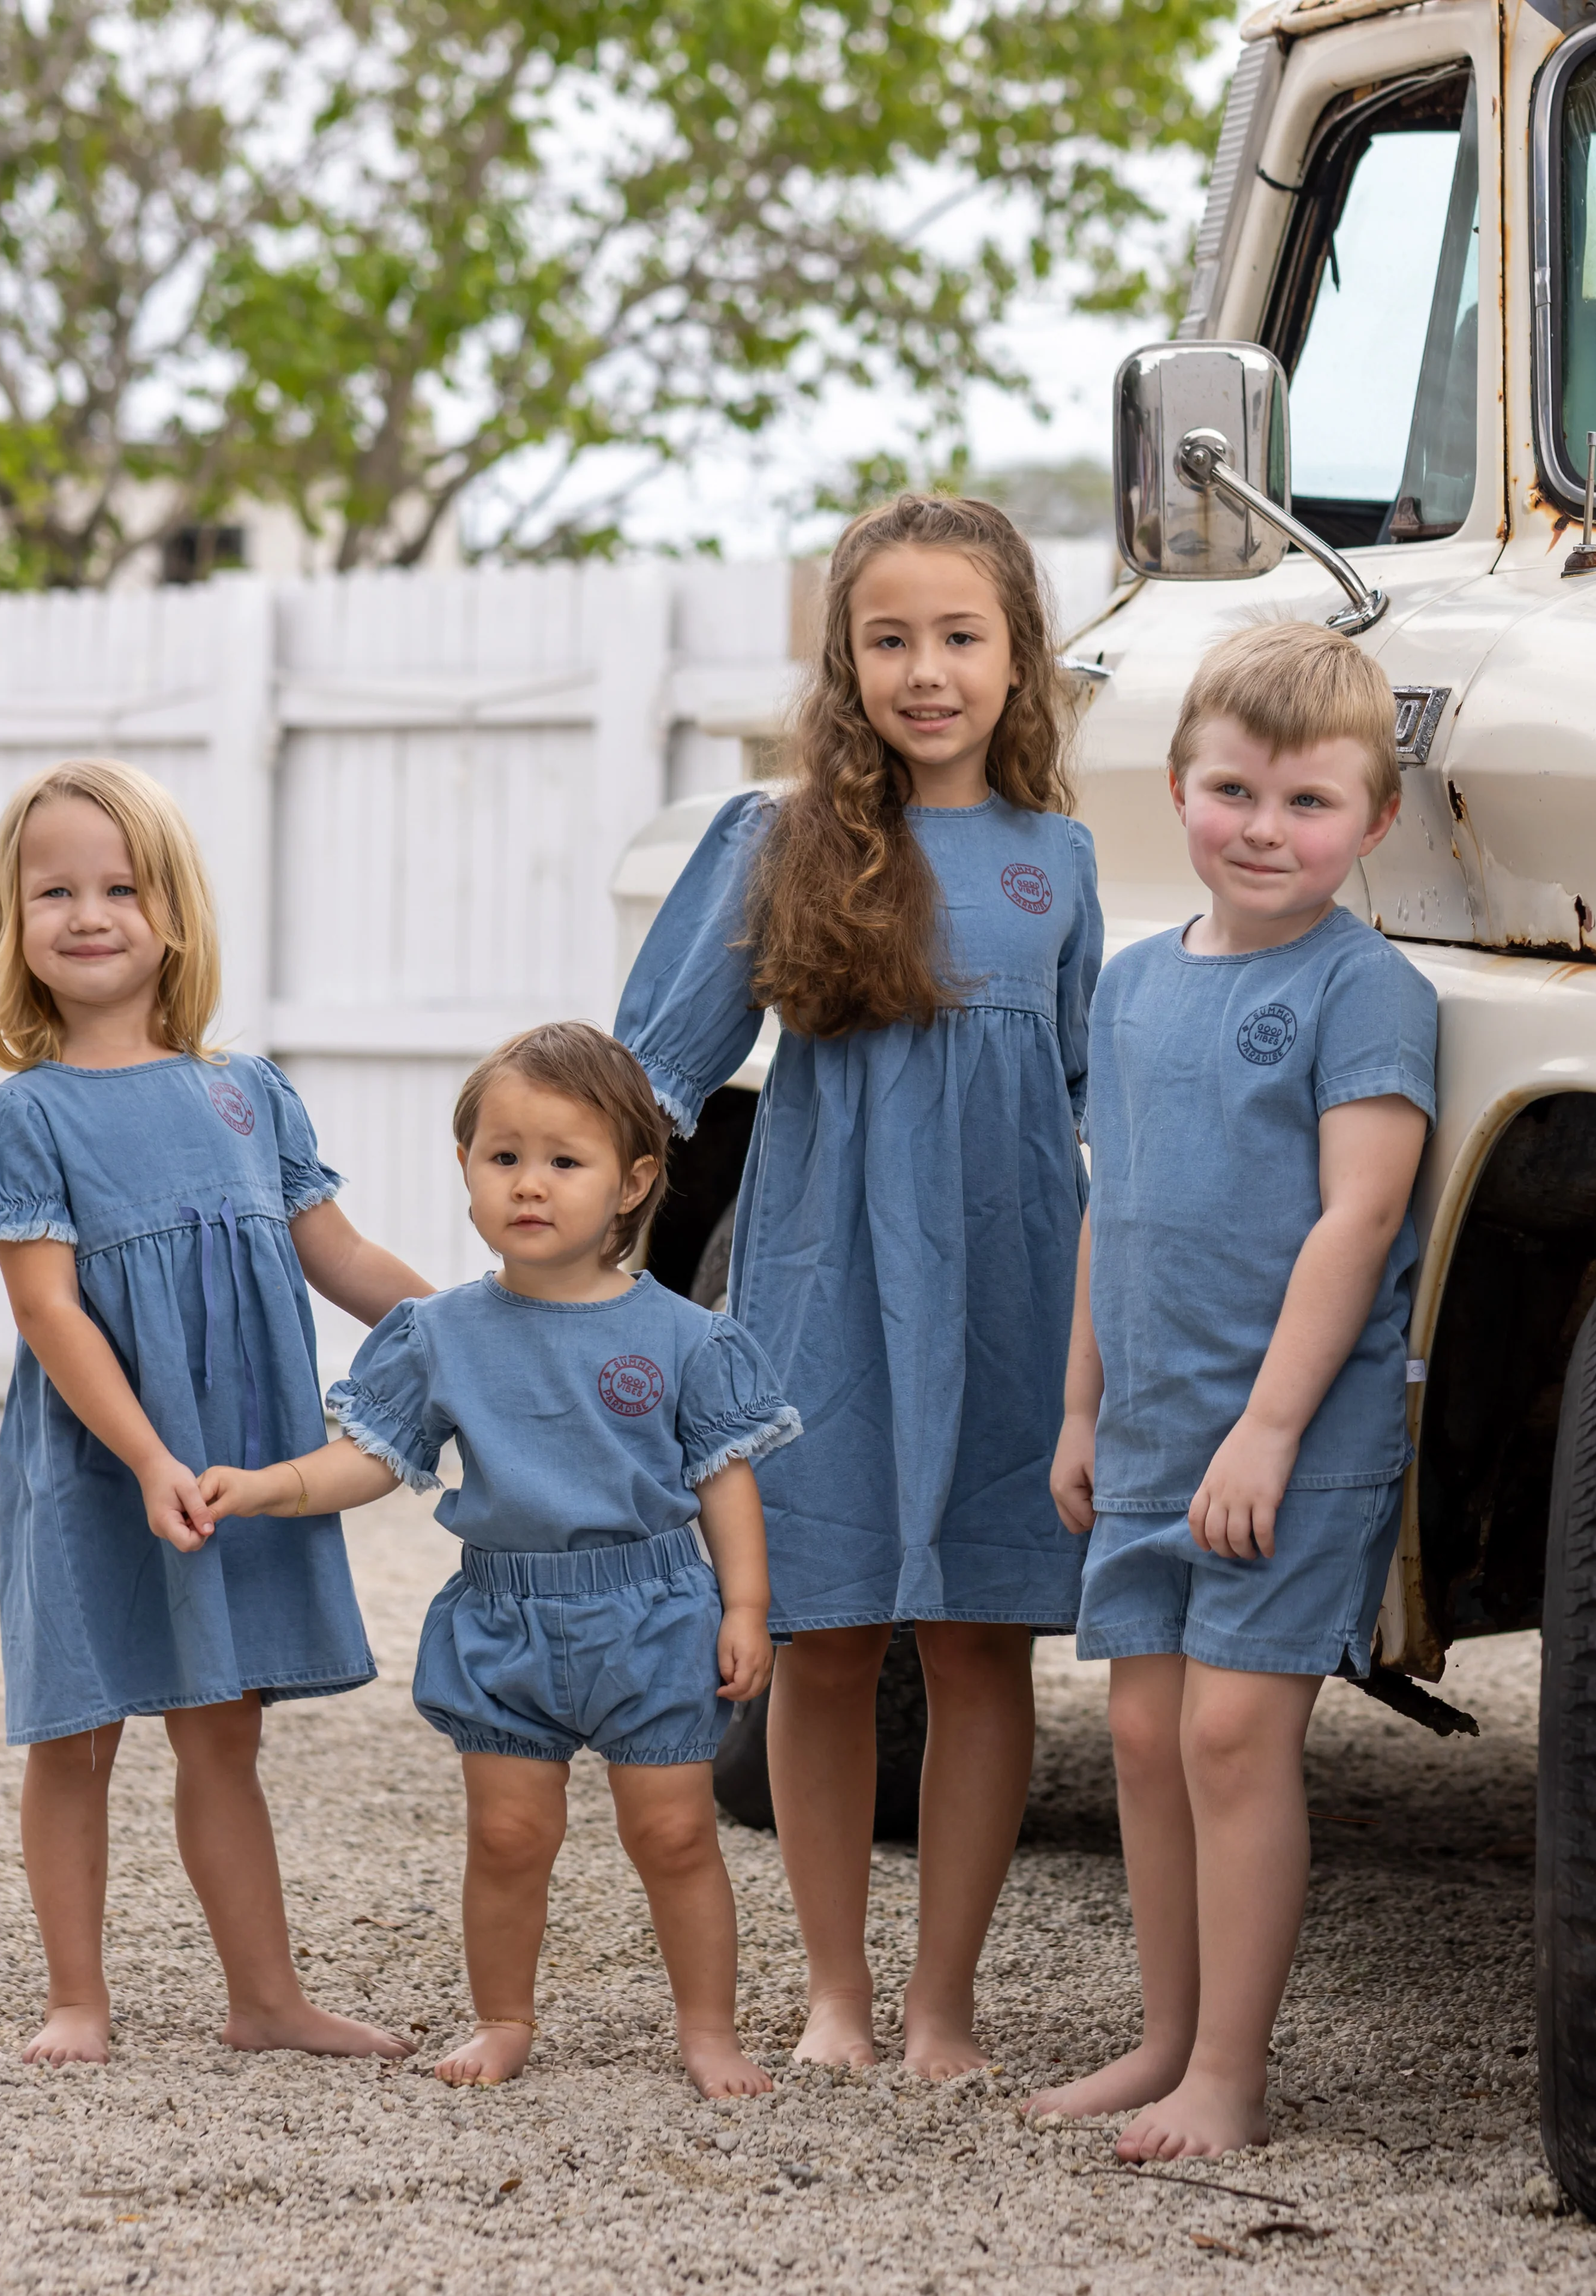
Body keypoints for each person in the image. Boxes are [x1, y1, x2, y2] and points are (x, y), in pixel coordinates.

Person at [615, 493, 1100, 2077]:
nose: (925, 669)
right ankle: (832, 1992)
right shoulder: (777, 842)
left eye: (960, 635)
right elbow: (650, 1079)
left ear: (1020, 657)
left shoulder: (1059, 861)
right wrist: (566, 1258)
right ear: (843, 662)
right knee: (820, 1635)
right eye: (886, 638)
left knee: (977, 1642)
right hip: (820, 1297)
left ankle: (938, 2005)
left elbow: (1109, 1095)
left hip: (1011, 1295)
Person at [201, 1023, 798, 2098]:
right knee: (510, 1834)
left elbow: (725, 1480)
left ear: (633, 1182)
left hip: (653, 1613)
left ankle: (709, 2029)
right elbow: (369, 1458)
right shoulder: (439, 1333)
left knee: (671, 1833)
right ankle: (504, 2018)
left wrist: (746, 1605)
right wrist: (266, 1487)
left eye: (565, 1161)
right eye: (503, 1157)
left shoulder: (682, 1338)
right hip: (505, 1621)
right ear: (467, 1169)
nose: (531, 1184)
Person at [1029, 621, 1437, 2159]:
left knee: (1229, 1740)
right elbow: (1107, 1207)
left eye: (1310, 803)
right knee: (1143, 1739)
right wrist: (1080, 1407)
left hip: (1291, 1440)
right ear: (1180, 788)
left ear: (1375, 822)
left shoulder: (1367, 991)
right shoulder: (1131, 988)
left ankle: (1232, 2076)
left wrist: (1268, 1429)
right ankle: (1165, 2036)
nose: (1266, 829)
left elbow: (1362, 1217)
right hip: (1145, 1433)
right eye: (1235, 791)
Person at [0, 758, 432, 2067]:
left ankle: (266, 1999)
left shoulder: (249, 1092)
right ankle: (78, 2000)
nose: (89, 911)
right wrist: (149, 1455)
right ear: (14, 922)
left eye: (120, 885)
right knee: (77, 1731)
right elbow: (50, 1310)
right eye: (53, 889)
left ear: (172, 912)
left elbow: (335, 1255)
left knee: (222, 1730)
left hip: (231, 1455)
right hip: (105, 1455)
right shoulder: (23, 1114)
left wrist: (461, 1329)